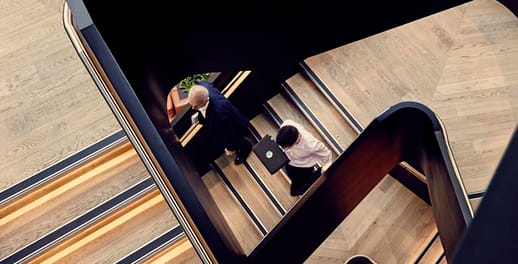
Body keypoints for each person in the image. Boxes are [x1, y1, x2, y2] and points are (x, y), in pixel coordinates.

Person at [187, 81, 253, 165]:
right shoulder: (202, 86)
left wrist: (230, 148)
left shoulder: (219, 115)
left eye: (195, 106)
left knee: (238, 141)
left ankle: (246, 148)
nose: (192, 108)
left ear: (205, 100)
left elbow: (231, 133)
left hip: (235, 126)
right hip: (220, 120)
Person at [275, 119, 332, 196]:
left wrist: (325, 169)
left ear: (295, 143)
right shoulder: (286, 124)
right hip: (290, 162)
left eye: (286, 148)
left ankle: (318, 174)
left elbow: (327, 156)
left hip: (304, 167)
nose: (283, 150)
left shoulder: (312, 145)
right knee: (293, 176)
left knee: (296, 191)